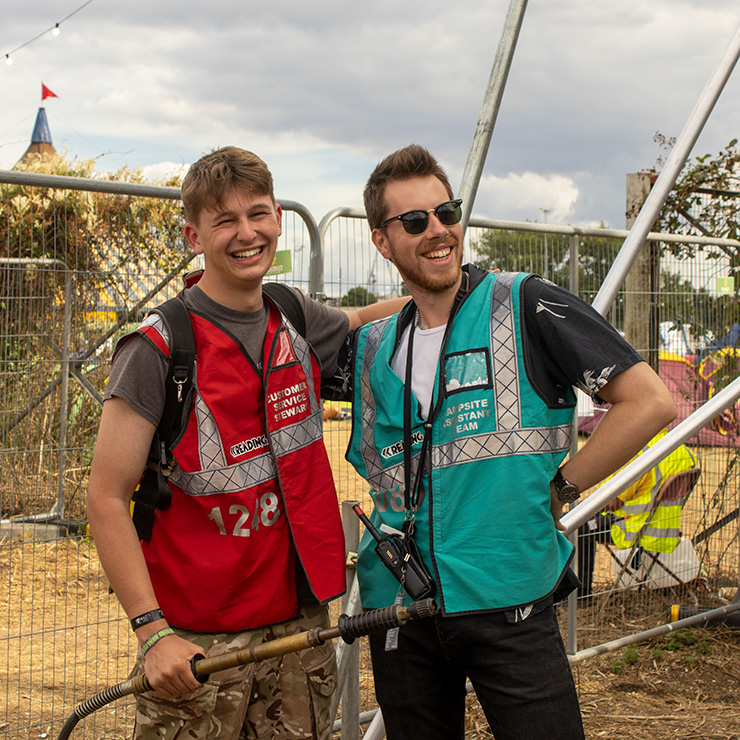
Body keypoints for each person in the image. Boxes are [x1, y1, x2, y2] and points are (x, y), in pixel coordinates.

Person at [339, 144, 677, 740]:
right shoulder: (372, 345)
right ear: (381, 241)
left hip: (510, 600)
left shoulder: (523, 304)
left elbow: (649, 401)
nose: (438, 231)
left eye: (447, 212)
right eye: (415, 222)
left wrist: (565, 485)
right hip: (400, 607)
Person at [86, 146, 407, 740]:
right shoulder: (158, 350)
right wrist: (152, 632)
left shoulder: (293, 317)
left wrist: (448, 293)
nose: (246, 233)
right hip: (199, 643)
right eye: (224, 220)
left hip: (296, 625)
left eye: (257, 214)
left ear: (278, 219)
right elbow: (105, 497)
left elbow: (363, 323)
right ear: (193, 234)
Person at [577, 428, 699, 598]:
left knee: (578, 526)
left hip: (632, 529)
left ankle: (580, 596)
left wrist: (581, 508)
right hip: (666, 528)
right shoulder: (683, 450)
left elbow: (612, 502)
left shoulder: (641, 453)